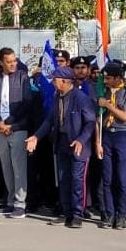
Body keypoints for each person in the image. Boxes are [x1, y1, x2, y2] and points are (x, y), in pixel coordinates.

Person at [26, 67, 96, 228]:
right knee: (63, 180)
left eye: (54, 79)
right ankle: (66, 213)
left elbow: (90, 122)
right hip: (62, 142)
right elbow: (49, 120)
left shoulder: (81, 98)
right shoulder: (57, 96)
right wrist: (36, 136)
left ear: (64, 81)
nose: (52, 82)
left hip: (78, 145)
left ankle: (77, 215)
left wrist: (81, 140)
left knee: (77, 180)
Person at [0, 48, 33, 218]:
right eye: (8, 61)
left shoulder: (23, 77)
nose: (12, 64)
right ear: (1, 62)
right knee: (6, 167)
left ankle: (20, 204)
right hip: (0, 130)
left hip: (17, 128)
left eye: (14, 60)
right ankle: (10, 201)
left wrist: (9, 122)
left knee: (18, 168)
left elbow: (26, 103)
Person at [96, 62, 126, 229]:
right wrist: (97, 142)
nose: (105, 81)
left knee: (121, 178)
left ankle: (121, 215)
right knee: (107, 178)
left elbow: (125, 116)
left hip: (122, 136)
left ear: (118, 78)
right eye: (104, 78)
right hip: (106, 135)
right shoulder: (103, 91)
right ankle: (109, 214)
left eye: (108, 78)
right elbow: (98, 119)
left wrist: (107, 105)